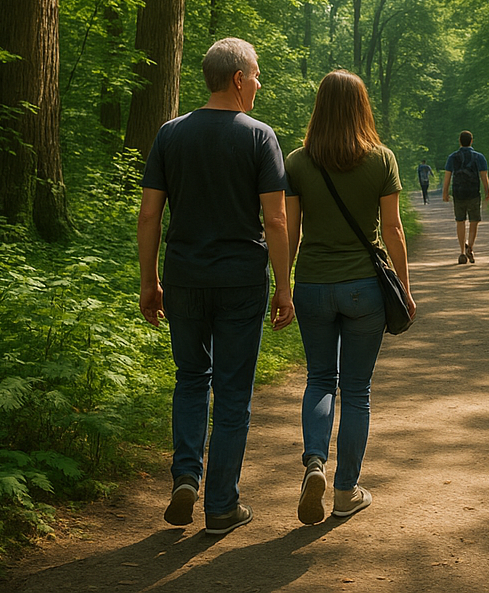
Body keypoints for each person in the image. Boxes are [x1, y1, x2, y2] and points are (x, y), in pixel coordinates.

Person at [137, 37, 295, 536]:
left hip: (183, 278)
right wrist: (284, 286)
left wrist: (149, 281)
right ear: (237, 79)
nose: (260, 83)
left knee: (190, 379)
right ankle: (221, 505)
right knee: (231, 393)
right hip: (240, 282)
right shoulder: (259, 136)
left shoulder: (169, 134)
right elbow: (275, 219)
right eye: (257, 74)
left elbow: (148, 215)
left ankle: (186, 476)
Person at [285, 70, 416, 525]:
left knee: (320, 379)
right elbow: (394, 230)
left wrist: (283, 286)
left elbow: (290, 231)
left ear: (320, 107)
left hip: (313, 287)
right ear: (362, 107)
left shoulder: (298, 162)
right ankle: (345, 492)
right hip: (364, 288)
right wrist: (404, 285)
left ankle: (315, 463)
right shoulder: (381, 159)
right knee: (356, 389)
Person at [441, 130, 489, 264]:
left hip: (458, 193)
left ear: (460, 141)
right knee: (474, 221)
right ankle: (471, 247)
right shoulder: (479, 157)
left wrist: (445, 192)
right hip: (473, 193)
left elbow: (447, 176)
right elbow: (484, 176)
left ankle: (462, 252)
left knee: (460, 221)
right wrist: (487, 190)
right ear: (471, 141)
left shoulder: (453, 157)